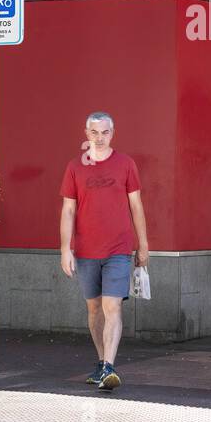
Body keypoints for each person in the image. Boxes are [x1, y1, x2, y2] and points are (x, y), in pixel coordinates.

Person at [59, 112, 149, 391]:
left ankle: (109, 365)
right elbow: (68, 210)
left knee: (112, 306)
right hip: (86, 250)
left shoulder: (126, 164)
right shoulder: (75, 167)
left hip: (118, 249)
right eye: (95, 132)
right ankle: (101, 362)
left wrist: (143, 244)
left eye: (105, 132)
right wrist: (65, 249)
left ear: (113, 132)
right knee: (94, 308)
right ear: (86, 133)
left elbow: (136, 206)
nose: (100, 138)